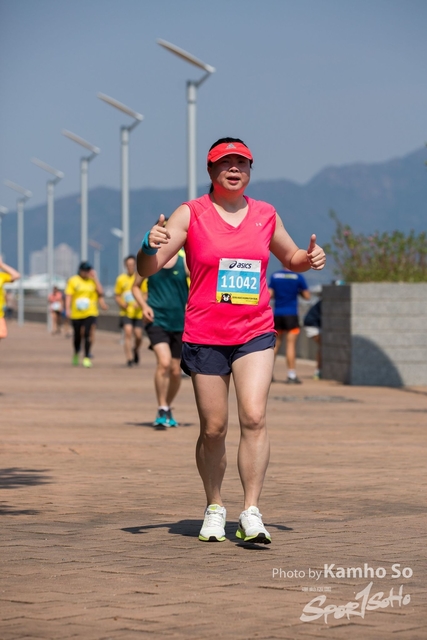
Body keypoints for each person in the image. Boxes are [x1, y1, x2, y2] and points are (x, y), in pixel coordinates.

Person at [137, 137, 326, 544]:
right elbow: (149, 268)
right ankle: (214, 505)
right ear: (211, 171)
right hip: (205, 334)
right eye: (225, 163)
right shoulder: (191, 213)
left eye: (242, 162)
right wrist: (147, 245)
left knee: (254, 417)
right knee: (213, 428)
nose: (234, 168)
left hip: (254, 331)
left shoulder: (265, 214)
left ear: (250, 170)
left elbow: (290, 257)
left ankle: (251, 511)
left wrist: (309, 259)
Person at [132, 242, 189, 428]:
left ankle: (168, 406)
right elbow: (135, 286)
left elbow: (201, 280)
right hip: (156, 319)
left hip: (180, 321)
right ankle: (162, 407)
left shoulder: (184, 261)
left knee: (175, 371)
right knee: (164, 363)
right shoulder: (150, 260)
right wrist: (144, 306)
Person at [268, 267, 310, 383]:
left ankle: (268, 374)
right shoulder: (298, 277)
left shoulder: (275, 276)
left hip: (277, 314)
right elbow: (307, 296)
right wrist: (298, 291)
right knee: (290, 345)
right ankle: (291, 375)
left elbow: (269, 294)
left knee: (275, 345)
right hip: (291, 314)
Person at [65, 261, 108, 367]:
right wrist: (67, 309)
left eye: (88, 270)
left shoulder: (92, 281)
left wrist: (95, 278)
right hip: (77, 313)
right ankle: (76, 352)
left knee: (88, 333)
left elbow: (100, 292)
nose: (86, 272)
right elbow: (69, 296)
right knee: (77, 335)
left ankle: (86, 357)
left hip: (90, 312)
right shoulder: (73, 281)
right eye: (84, 270)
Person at [114, 255, 144, 367]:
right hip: (126, 312)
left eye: (132, 265)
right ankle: (129, 358)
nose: (130, 267)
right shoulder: (120, 279)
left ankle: (135, 349)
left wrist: (140, 303)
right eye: (128, 265)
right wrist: (122, 304)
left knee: (139, 335)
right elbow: (117, 295)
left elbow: (146, 294)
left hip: (138, 312)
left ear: (135, 265)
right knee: (128, 332)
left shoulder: (140, 277)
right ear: (125, 266)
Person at [0, 259, 20, 341]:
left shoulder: (1, 276)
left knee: (2, 334)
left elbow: (16, 275)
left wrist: (2, 265)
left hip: (0, 313)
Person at [303, 299, 322, 379]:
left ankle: (319, 370)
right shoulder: (324, 302)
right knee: (323, 347)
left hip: (314, 324)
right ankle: (318, 371)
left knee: (322, 347)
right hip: (312, 325)